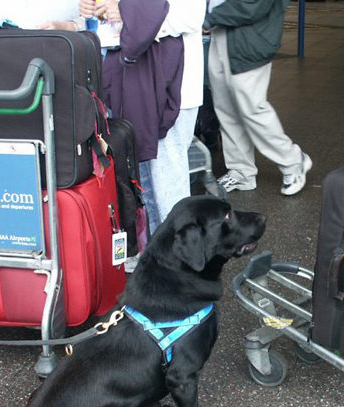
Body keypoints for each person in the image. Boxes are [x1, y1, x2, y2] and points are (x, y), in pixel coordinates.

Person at [80, 0, 205, 236]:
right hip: (128, 86)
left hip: (171, 90)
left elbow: (190, 17)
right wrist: (92, 13)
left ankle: (176, 262)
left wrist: (127, 11)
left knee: (167, 188)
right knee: (141, 184)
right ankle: (152, 255)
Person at [205, 0, 313, 196]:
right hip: (222, 32)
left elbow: (251, 6)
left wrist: (207, 18)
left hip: (249, 36)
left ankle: (293, 161)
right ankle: (241, 171)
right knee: (226, 108)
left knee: (253, 109)